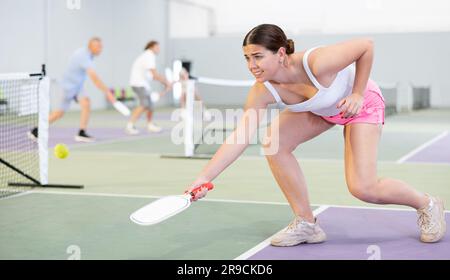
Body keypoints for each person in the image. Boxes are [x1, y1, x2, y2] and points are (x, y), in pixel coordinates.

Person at [185, 24, 446, 246]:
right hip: (324, 110)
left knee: (363, 188)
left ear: (281, 53)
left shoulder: (317, 63)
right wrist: (203, 178)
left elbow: (366, 45)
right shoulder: (262, 90)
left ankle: (428, 204)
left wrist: (356, 93)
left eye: (258, 56)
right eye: (247, 58)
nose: (251, 65)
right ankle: (306, 223)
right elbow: (240, 137)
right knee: (274, 143)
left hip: (362, 104)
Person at [29, 37, 116, 142]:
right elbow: (94, 78)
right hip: (66, 87)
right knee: (58, 113)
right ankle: (36, 130)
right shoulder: (83, 56)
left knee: (86, 103)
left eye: (101, 47)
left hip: (77, 87)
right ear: (90, 46)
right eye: (98, 46)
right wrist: (107, 92)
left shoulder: (89, 55)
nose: (100, 49)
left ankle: (81, 132)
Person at [126, 41, 171, 135]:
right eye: (157, 47)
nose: (159, 49)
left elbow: (152, 76)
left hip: (143, 84)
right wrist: (166, 82)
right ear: (151, 47)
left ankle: (150, 125)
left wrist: (165, 82)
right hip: (138, 84)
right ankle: (130, 126)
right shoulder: (149, 56)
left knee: (150, 105)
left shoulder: (147, 56)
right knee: (144, 104)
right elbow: (154, 75)